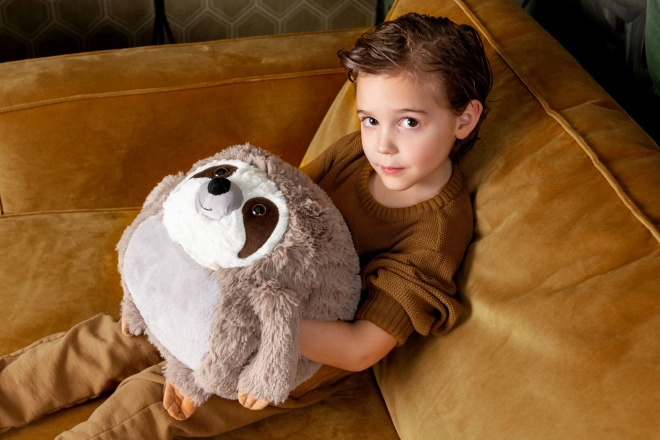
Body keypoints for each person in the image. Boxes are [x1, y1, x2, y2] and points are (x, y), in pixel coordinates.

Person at [0, 12, 492, 439]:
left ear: (465, 119)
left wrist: (239, 325)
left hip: (282, 354)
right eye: (370, 120)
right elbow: (282, 198)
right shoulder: (354, 155)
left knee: (150, 405)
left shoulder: (436, 233)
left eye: (409, 122)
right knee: (105, 342)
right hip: (225, 288)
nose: (382, 144)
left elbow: (361, 348)